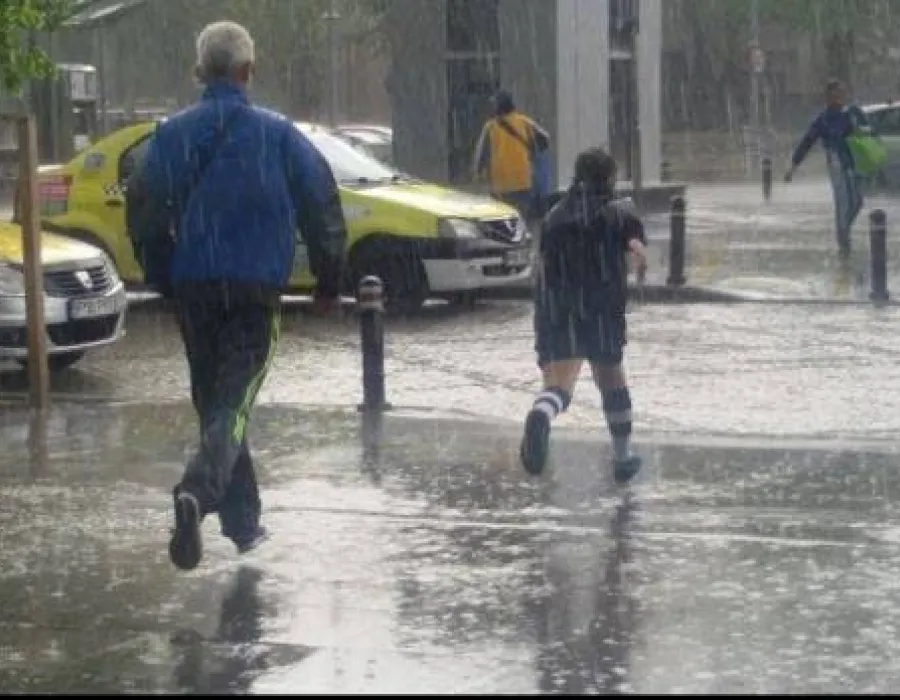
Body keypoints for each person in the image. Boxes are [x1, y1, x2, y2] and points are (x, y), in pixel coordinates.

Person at [126, 21, 347, 571]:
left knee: (218, 405)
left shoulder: (171, 135)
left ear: (201, 72)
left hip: (195, 290)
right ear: (249, 72)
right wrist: (329, 278)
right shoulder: (277, 135)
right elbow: (321, 204)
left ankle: (243, 525)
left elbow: (145, 208)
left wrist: (161, 274)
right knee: (233, 404)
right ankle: (196, 494)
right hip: (254, 292)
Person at [520, 147, 647, 483]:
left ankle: (542, 414)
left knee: (559, 385)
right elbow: (634, 240)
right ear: (609, 178)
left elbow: (542, 269)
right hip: (601, 308)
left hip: (558, 308)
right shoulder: (618, 212)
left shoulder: (554, 216)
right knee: (611, 381)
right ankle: (623, 457)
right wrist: (637, 254)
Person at [785, 79, 872, 259]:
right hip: (835, 162)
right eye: (834, 94)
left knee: (857, 201)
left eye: (841, 92)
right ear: (827, 97)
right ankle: (843, 241)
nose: (839, 96)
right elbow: (807, 142)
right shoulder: (823, 119)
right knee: (843, 202)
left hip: (853, 162)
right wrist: (793, 166)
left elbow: (868, 131)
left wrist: (862, 130)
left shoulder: (851, 113)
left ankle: (844, 230)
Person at [474, 90, 551, 224]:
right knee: (520, 219)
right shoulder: (525, 122)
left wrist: (478, 173)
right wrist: (532, 152)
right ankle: (520, 238)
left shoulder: (490, 127)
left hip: (500, 183)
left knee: (501, 220)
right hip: (522, 179)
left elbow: (481, 153)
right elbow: (545, 139)